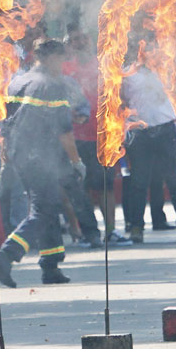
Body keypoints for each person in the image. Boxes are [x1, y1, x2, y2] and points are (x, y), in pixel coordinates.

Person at [0, 39, 84, 288]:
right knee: (44, 208)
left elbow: (5, 121)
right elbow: (64, 130)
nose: (63, 65)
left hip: (20, 154)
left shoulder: (19, 81)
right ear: (52, 58)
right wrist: (76, 161)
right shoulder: (52, 86)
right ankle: (7, 254)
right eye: (62, 59)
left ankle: (50, 266)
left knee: (48, 204)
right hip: (41, 156)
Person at [121, 43, 176, 245]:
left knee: (174, 181)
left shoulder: (165, 69)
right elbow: (120, 100)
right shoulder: (126, 74)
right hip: (140, 131)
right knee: (139, 182)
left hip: (164, 128)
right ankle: (136, 228)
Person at [63, 26, 119, 246]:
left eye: (82, 38)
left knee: (106, 185)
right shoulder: (65, 69)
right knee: (79, 188)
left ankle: (111, 231)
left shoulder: (103, 65)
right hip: (74, 137)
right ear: (68, 44)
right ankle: (82, 232)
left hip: (103, 134)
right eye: (74, 39)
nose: (79, 43)